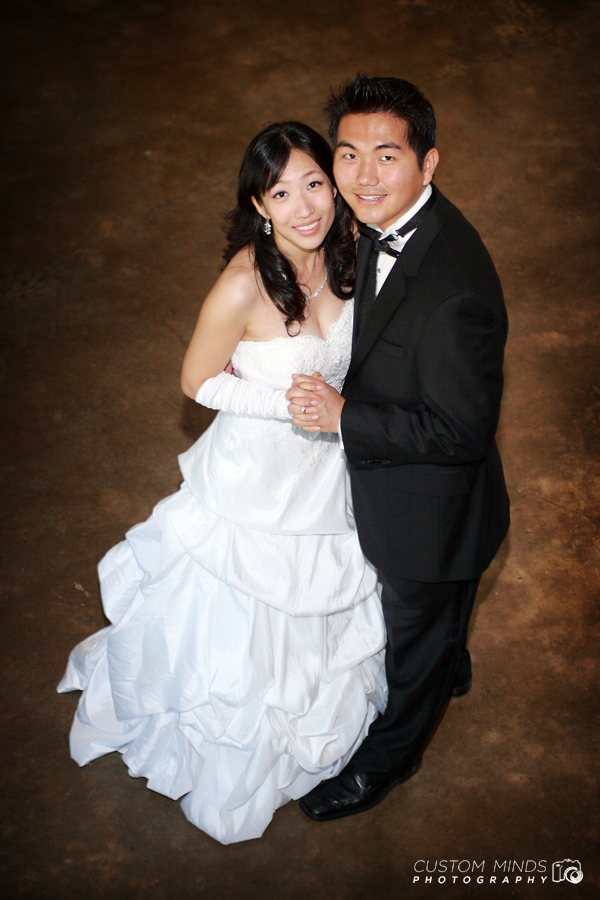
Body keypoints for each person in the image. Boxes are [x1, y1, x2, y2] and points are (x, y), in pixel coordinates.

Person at [57, 121, 387, 845]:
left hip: (331, 471)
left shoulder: (352, 249)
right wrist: (288, 406)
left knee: (327, 591)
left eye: (316, 184)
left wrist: (345, 412)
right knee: (237, 610)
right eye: (282, 192)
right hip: (257, 478)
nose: (306, 207)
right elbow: (197, 380)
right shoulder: (242, 285)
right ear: (258, 205)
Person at [288, 75, 510, 821]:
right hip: (413, 493)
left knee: (413, 640)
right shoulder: (380, 225)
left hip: (431, 514)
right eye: (349, 155)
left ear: (430, 162)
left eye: (388, 156)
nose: (363, 176)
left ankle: (390, 759)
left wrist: (343, 418)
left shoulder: (455, 293)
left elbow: (460, 432)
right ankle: (450, 656)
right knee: (436, 629)